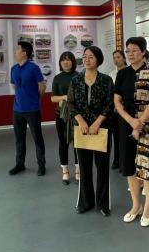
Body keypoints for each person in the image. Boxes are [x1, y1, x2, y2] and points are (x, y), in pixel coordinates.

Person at [114, 36, 149, 227]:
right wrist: (131, 121)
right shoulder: (122, 73)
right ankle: (136, 205)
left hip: (147, 124)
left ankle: (148, 206)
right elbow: (117, 101)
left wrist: (139, 122)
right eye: (128, 51)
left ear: (143, 52)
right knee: (129, 166)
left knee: (148, 166)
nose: (131, 54)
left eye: (135, 50)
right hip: (126, 122)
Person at [68, 46, 114, 215]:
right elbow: (70, 103)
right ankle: (85, 202)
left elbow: (110, 104)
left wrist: (98, 122)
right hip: (82, 129)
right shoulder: (76, 80)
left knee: (102, 167)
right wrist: (80, 120)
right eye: (85, 56)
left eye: (91, 57)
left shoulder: (106, 80)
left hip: (101, 129)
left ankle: (102, 204)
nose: (87, 59)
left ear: (98, 60)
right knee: (84, 167)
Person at [9, 41, 47, 176]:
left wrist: (35, 99)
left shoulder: (33, 68)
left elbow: (42, 86)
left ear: (24, 53)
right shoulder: (13, 69)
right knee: (19, 139)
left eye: (17, 50)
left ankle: (41, 165)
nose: (15, 52)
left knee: (37, 138)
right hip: (17, 110)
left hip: (32, 110)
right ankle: (20, 164)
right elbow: (14, 86)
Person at [51, 52, 79, 185]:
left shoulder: (79, 76)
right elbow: (53, 98)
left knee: (77, 143)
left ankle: (78, 170)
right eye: (63, 60)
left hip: (77, 115)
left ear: (73, 62)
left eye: (68, 60)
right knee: (63, 143)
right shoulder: (57, 78)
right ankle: (65, 171)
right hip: (61, 115)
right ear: (60, 63)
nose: (65, 62)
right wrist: (64, 97)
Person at [109, 49, 127, 170]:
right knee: (116, 136)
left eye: (118, 57)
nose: (116, 60)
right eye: (114, 58)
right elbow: (111, 93)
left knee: (125, 136)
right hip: (115, 110)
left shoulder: (130, 73)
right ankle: (116, 159)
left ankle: (125, 160)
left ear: (124, 58)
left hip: (127, 110)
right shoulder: (111, 74)